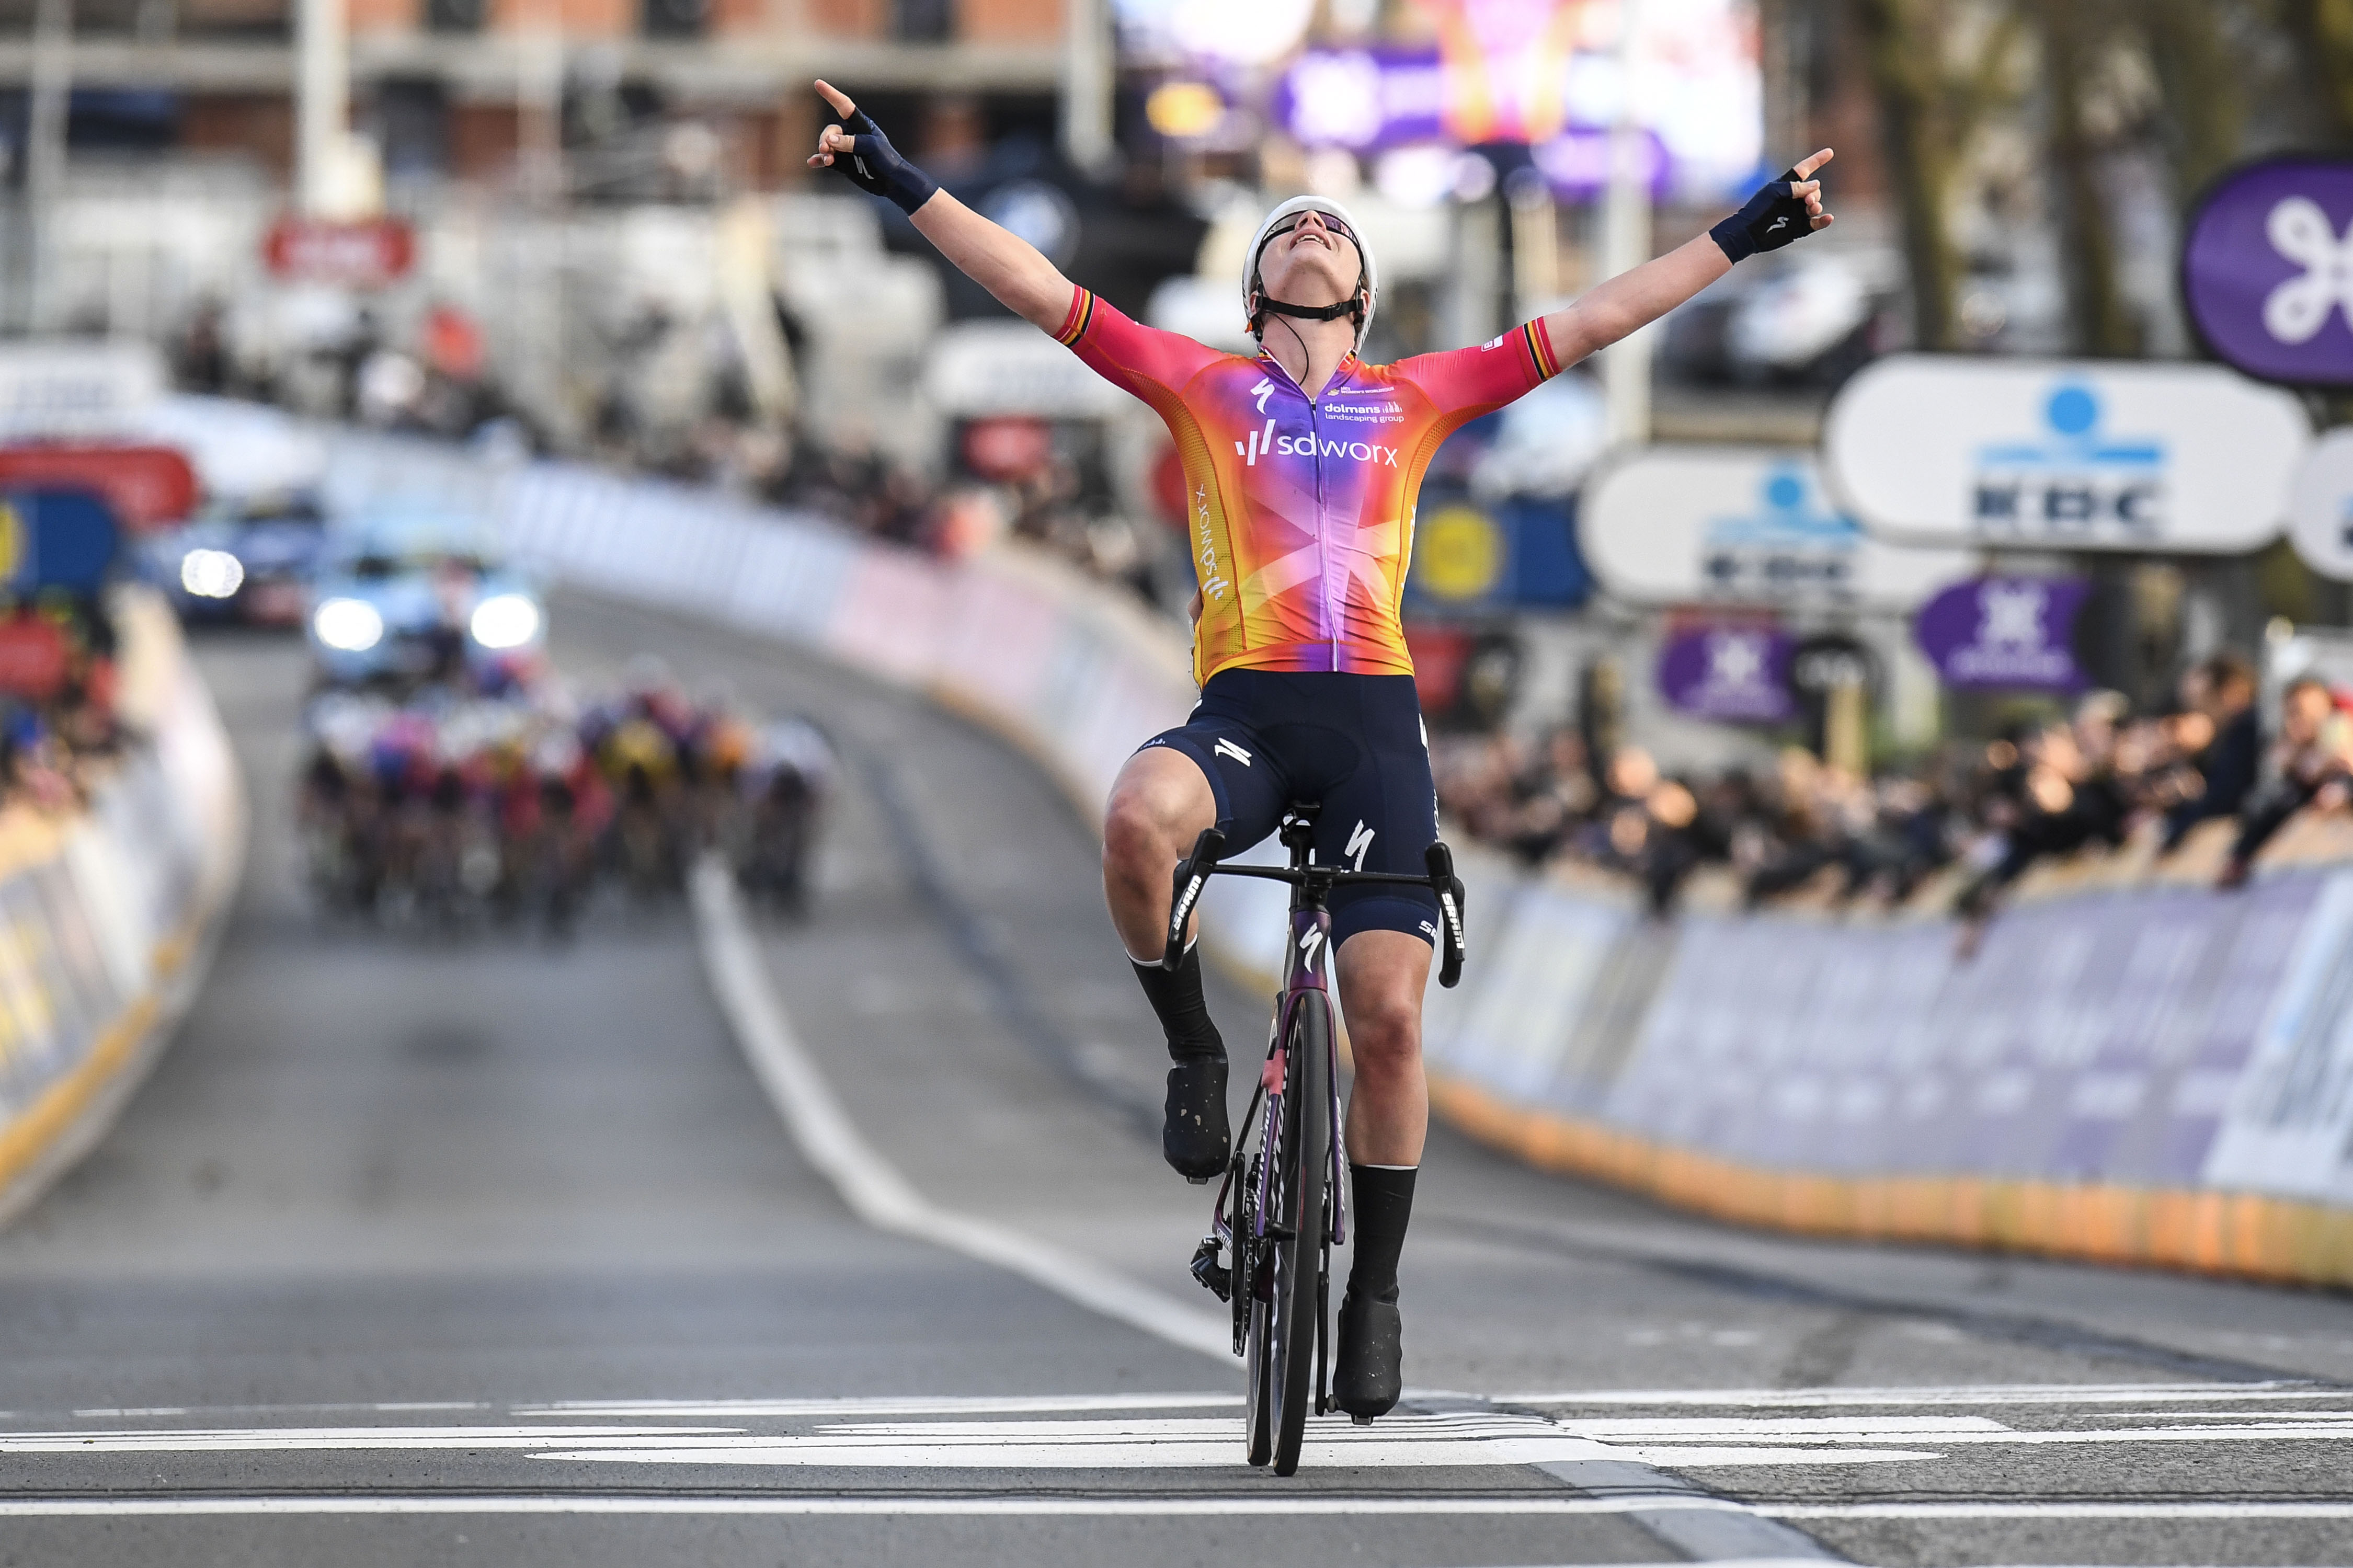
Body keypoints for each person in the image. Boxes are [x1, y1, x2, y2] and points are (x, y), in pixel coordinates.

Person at [808, 81, 1833, 1422]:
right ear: (1256, 295)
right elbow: (1035, 286)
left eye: (1332, 231)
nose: (1310, 232)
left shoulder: (1417, 396)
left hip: (1371, 735)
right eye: (1286, 227)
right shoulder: (1199, 380)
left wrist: (1743, 236)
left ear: (1357, 298)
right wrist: (904, 184)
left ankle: (1377, 1295)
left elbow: (1595, 318)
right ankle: (1191, 1047)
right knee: (1132, 825)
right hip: (1245, 714)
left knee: (1391, 1024)